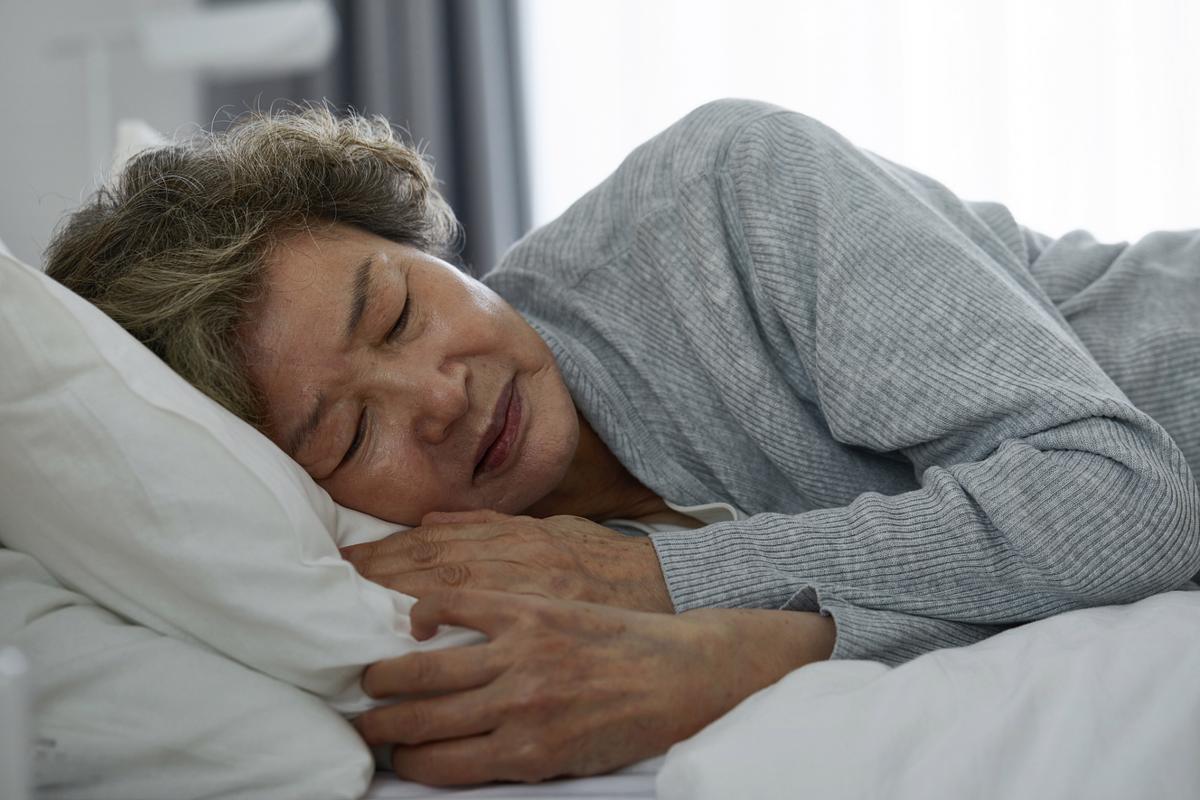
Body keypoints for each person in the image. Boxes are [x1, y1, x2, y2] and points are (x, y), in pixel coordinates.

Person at [45, 99, 1200, 786]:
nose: (435, 397)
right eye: (351, 431)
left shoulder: (728, 193)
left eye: (399, 310)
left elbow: (1126, 497)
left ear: (431, 246)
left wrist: (700, 614)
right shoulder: (477, 594)